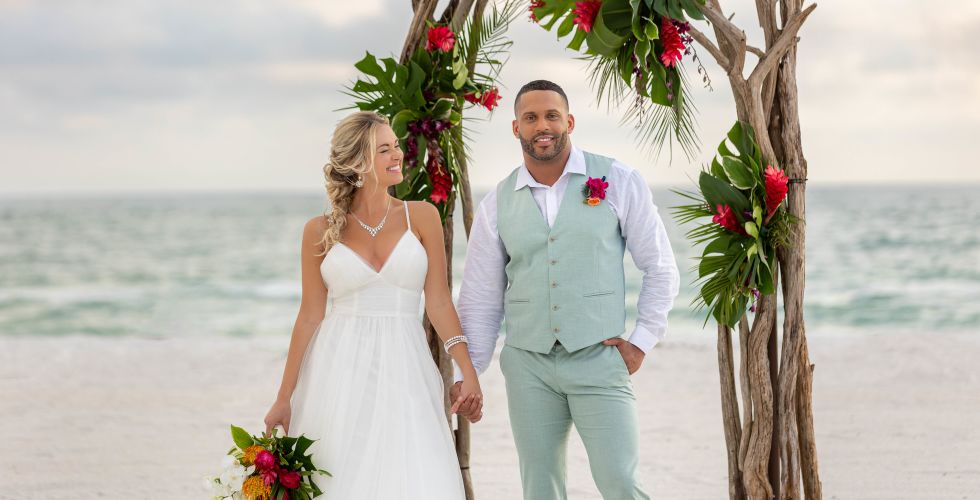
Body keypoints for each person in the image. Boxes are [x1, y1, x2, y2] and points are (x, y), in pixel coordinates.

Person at [451, 80, 680, 500]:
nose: (543, 125)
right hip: (528, 366)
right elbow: (481, 299)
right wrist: (469, 374)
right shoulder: (496, 203)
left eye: (552, 115)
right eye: (531, 117)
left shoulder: (619, 180)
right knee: (539, 488)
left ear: (569, 121)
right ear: (516, 128)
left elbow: (661, 267)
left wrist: (641, 342)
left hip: (599, 359)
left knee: (621, 482)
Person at [263, 111, 482, 499]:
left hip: (406, 363)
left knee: (413, 472)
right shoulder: (319, 230)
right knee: (340, 474)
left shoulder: (423, 216)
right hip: (338, 368)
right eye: (384, 149)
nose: (397, 154)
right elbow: (310, 315)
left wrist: (467, 369)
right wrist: (284, 397)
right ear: (357, 164)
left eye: (396, 145)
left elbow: (439, 304)